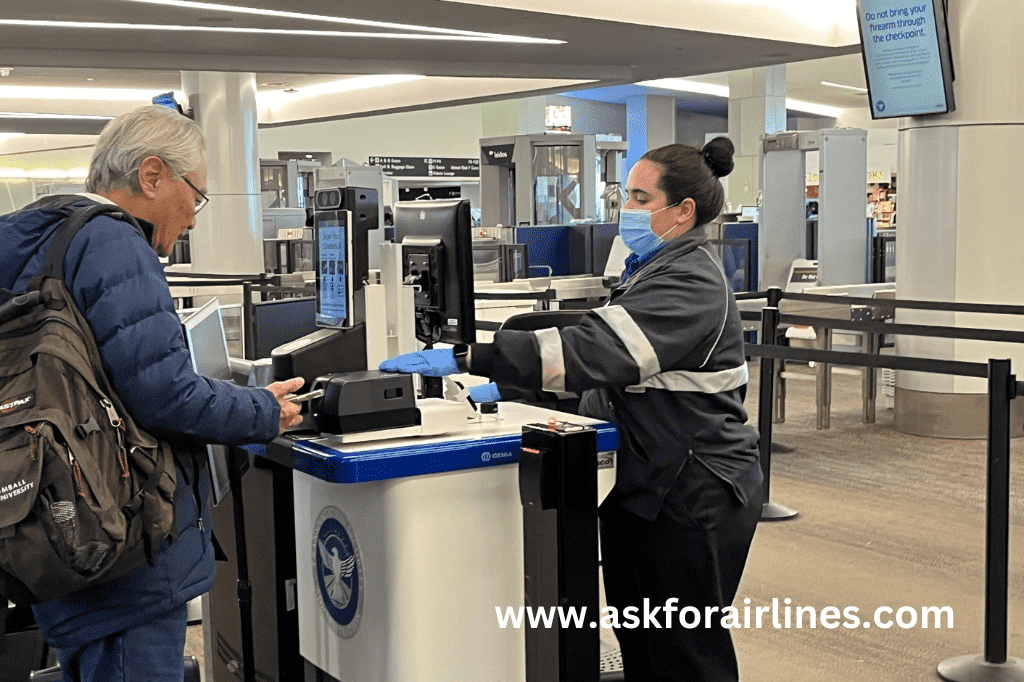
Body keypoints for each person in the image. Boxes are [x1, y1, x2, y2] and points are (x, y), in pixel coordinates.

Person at [380, 138, 763, 681]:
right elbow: (615, 384)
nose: (625, 210)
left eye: (638, 197)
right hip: (653, 481)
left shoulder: (690, 281)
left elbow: (592, 352)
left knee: (685, 656)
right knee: (647, 648)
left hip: (693, 491)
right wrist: (514, 395)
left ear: (683, 212)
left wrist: (472, 357)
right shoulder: (651, 269)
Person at [0, 105, 304, 682]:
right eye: (196, 194)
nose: (193, 214)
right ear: (152, 176)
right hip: (123, 549)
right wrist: (266, 409)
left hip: (54, 523)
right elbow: (163, 395)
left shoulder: (36, 239)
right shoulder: (114, 244)